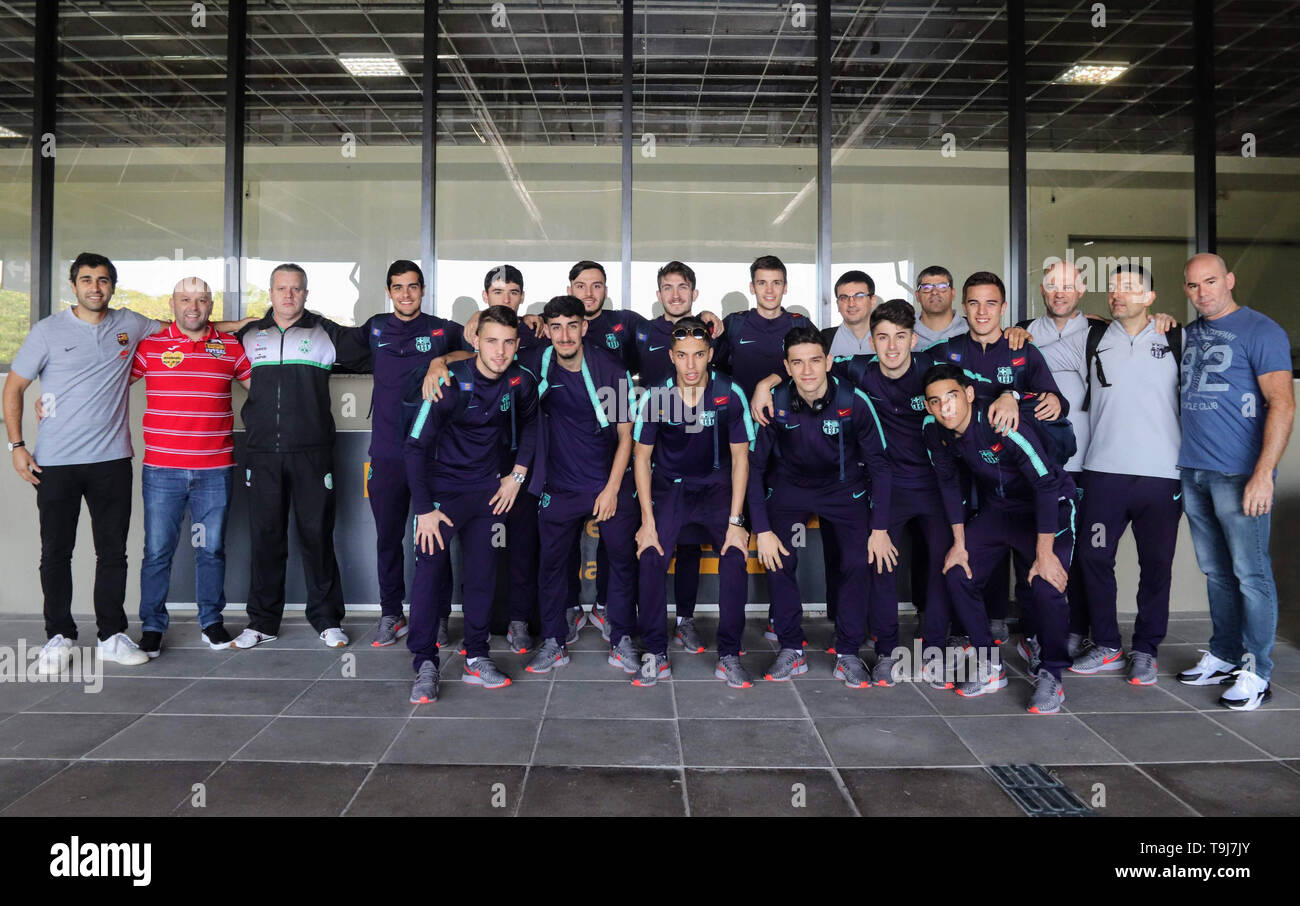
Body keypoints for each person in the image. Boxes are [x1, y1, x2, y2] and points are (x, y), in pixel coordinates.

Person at [5, 253, 247, 672]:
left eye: (102, 280)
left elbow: (193, 326)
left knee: (113, 553)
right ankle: (58, 636)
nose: (94, 287)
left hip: (113, 460)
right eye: (86, 280)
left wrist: (248, 324)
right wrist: (17, 445)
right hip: (57, 462)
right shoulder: (49, 331)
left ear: (112, 286)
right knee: (56, 551)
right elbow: (14, 387)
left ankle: (112, 635)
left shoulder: (131, 325)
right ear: (73, 284)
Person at [232, 263, 373, 650]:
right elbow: (204, 340)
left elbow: (379, 347)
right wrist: (232, 323)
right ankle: (262, 622)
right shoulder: (248, 336)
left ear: (306, 294)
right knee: (266, 539)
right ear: (271, 292)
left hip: (312, 454)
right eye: (282, 288)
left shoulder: (325, 332)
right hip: (262, 454)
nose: (289, 295)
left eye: (296, 289)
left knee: (317, 538)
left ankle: (327, 620)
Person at [1175, 253, 1294, 711]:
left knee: (1251, 574)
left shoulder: (1262, 331)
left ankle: (1256, 670)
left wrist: (1263, 474)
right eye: (1192, 286)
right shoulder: (1187, 334)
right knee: (1216, 573)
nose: (1202, 292)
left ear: (1229, 280)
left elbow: (1282, 404)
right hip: (1194, 470)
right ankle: (1224, 653)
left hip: (1240, 474)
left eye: (1210, 282)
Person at [924, 271, 1067, 651]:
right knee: (971, 561)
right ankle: (980, 637)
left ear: (1003, 308)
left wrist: (1014, 397)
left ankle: (1036, 642)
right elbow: (925, 389)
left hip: (1026, 479)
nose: (982, 311)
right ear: (963, 307)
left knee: (1030, 570)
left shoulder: (1023, 351)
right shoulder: (946, 352)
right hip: (979, 481)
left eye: (991, 303)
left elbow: (1054, 404)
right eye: (973, 303)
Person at [922, 364, 1078, 714]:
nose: (945, 407)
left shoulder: (999, 421)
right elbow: (948, 484)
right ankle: (990, 664)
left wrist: (1044, 553)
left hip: (1047, 507)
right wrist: (960, 545)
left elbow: (1046, 484)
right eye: (936, 401)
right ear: (928, 407)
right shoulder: (935, 430)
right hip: (999, 511)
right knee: (957, 573)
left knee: (1045, 583)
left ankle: (1052, 674)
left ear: (969, 394)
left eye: (952, 396)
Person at [403, 305, 539, 703]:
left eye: (508, 342)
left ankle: (476, 656)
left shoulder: (520, 380)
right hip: (442, 496)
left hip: (487, 493)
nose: (500, 351)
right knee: (430, 576)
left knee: (482, 576)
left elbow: (532, 424)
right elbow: (413, 448)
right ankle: (425, 663)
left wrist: (517, 475)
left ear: (517, 344)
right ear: (475, 340)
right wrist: (424, 509)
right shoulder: (447, 380)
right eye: (492, 341)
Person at [747, 326, 894, 687]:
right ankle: (791, 648)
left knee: (857, 562)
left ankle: (847, 652)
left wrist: (880, 528)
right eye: (797, 363)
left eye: (815, 360)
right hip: (789, 488)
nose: (808, 370)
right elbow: (753, 467)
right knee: (779, 559)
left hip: (843, 490)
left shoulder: (854, 401)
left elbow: (880, 466)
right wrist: (761, 530)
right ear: (786, 366)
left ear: (828, 361)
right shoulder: (774, 402)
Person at [1069, 263, 1182, 685]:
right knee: (1093, 557)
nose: (1119, 295)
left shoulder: (1175, 336)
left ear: (1150, 298)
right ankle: (1107, 645)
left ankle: (1147, 649)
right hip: (1103, 473)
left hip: (1161, 475)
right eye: (1114, 289)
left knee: (1156, 565)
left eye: (1130, 289)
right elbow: (1049, 332)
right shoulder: (1094, 336)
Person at [131, 277, 251, 657]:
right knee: (157, 552)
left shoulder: (230, 346)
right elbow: (107, 382)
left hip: (215, 470)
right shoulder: (150, 346)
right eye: (186, 299)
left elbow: (265, 389)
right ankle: (152, 627)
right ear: (172, 304)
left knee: (211, 550)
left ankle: (211, 623)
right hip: (162, 470)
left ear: (211, 305)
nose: (193, 307)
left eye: (201, 300)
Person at [631, 317, 754, 687]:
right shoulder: (656, 396)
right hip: (672, 489)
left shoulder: (730, 392)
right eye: (682, 355)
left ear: (710, 354)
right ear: (671, 355)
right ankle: (655, 652)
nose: (690, 364)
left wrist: (736, 522)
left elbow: (741, 459)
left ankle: (729, 654)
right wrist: (647, 521)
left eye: (698, 355)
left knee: (734, 557)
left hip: (716, 488)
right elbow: (640, 458)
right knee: (651, 555)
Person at [521, 295, 639, 674]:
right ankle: (554, 641)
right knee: (551, 566)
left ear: (585, 327)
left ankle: (621, 639)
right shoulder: (538, 362)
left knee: (622, 563)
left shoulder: (611, 370)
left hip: (608, 482)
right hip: (559, 484)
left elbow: (626, 436)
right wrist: (439, 362)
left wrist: (611, 489)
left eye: (572, 325)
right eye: (556, 327)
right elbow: (486, 359)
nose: (565, 335)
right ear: (548, 330)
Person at [361, 260, 465, 649]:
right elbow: (328, 336)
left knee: (434, 540)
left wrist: (442, 360)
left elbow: (479, 346)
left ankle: (436, 617)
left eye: (413, 286)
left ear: (423, 290)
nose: (406, 294)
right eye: (398, 287)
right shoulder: (374, 328)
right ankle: (391, 614)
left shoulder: (442, 330)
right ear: (389, 292)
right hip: (386, 455)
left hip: (431, 456)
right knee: (389, 539)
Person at [821, 270, 879, 357]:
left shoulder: (888, 337)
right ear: (837, 304)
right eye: (844, 297)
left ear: (872, 300)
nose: (851, 304)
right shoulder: (823, 339)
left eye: (859, 296)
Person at [911, 266, 969, 347]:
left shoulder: (971, 331)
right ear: (917, 296)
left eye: (942, 287)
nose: (934, 292)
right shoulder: (904, 331)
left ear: (953, 293)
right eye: (927, 287)